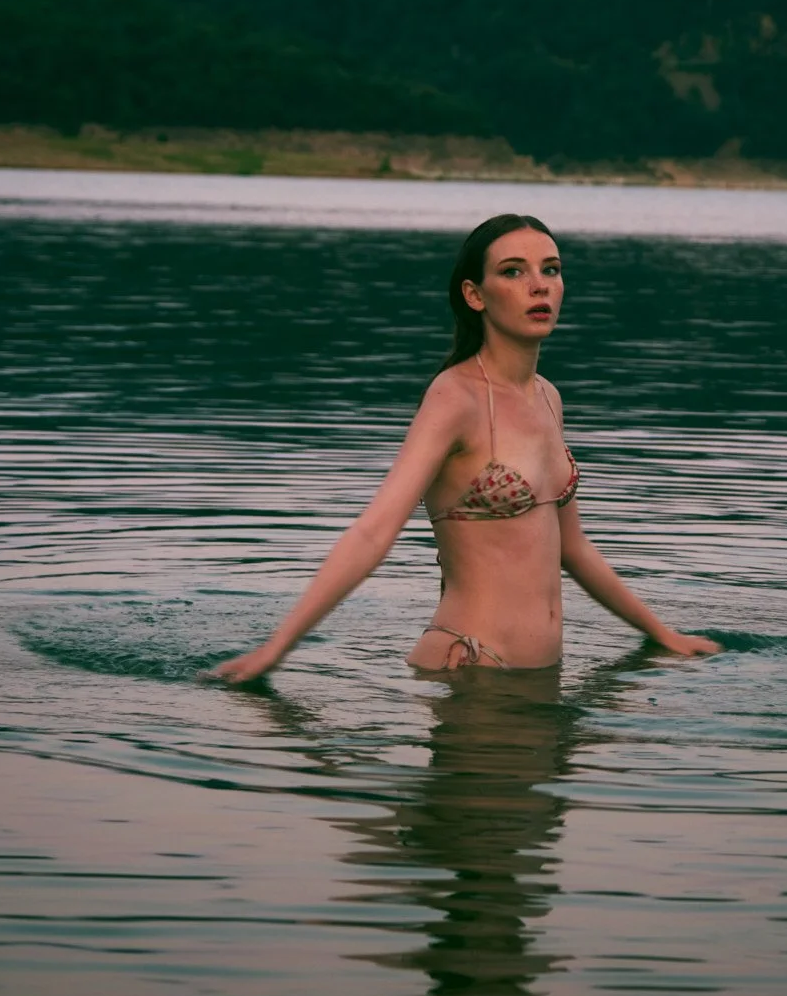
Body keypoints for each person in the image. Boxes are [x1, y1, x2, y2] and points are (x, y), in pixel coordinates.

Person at [206, 213, 719, 683]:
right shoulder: (454, 399)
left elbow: (574, 549)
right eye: (514, 272)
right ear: (475, 295)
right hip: (473, 667)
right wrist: (277, 648)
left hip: (539, 680)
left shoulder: (548, 397)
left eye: (552, 269)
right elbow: (373, 532)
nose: (539, 284)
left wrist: (662, 635)